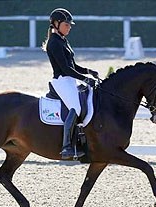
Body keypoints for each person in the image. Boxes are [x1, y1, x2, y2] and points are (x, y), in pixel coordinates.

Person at [42, 8, 99, 160]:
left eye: (69, 25)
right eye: (66, 24)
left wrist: (88, 71)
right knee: (77, 107)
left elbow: (73, 65)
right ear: (56, 23)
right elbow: (66, 69)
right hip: (61, 80)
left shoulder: (62, 40)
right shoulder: (54, 43)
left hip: (69, 79)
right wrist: (85, 79)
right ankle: (67, 146)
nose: (69, 27)